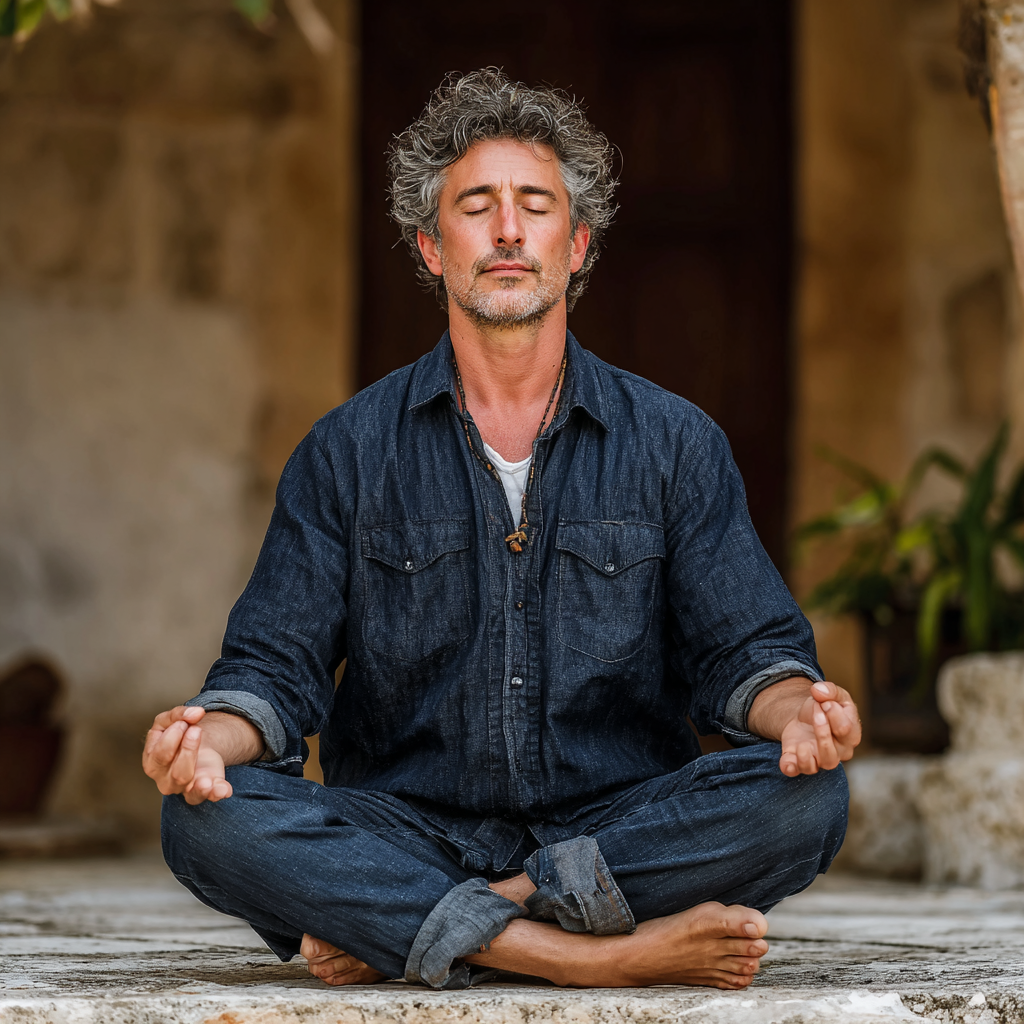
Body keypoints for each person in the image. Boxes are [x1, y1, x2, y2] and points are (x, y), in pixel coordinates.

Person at [144, 68, 859, 992]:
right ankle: (579, 954)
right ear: (433, 246)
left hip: (616, 825)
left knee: (810, 801)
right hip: (407, 825)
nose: (510, 231)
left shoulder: (676, 443)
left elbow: (747, 652)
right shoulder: (347, 451)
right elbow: (273, 672)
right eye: (477, 206)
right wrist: (208, 743)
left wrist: (801, 712)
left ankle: (438, 922)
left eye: (536, 205)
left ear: (579, 242)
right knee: (200, 818)